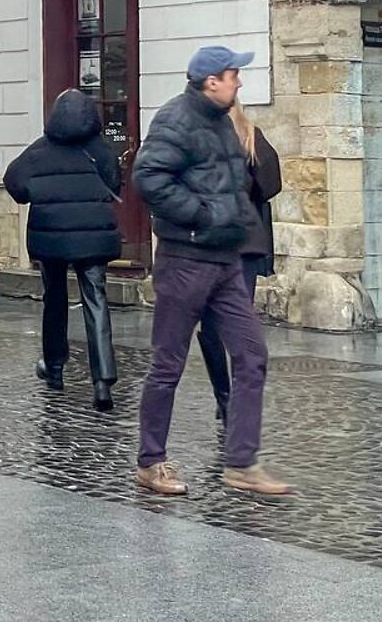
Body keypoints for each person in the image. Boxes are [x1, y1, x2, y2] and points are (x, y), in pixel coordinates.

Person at [131, 47, 290, 497]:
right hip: (186, 260)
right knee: (168, 363)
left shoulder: (223, 120)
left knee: (251, 354)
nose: (239, 82)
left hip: (226, 260)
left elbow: (237, 182)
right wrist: (201, 215)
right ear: (210, 81)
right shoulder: (175, 120)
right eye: (233, 74)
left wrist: (235, 220)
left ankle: (241, 463)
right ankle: (151, 461)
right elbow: (149, 178)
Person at [2, 89, 123, 412]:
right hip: (94, 237)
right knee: (96, 301)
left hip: (51, 237)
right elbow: (115, 184)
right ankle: (102, 381)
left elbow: (14, 183)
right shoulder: (102, 150)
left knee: (54, 299)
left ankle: (54, 368)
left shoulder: (39, 151)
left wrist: (41, 193)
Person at [197, 101, 282, 423]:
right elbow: (271, 186)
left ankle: (225, 397)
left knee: (211, 325)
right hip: (243, 241)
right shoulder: (250, 136)